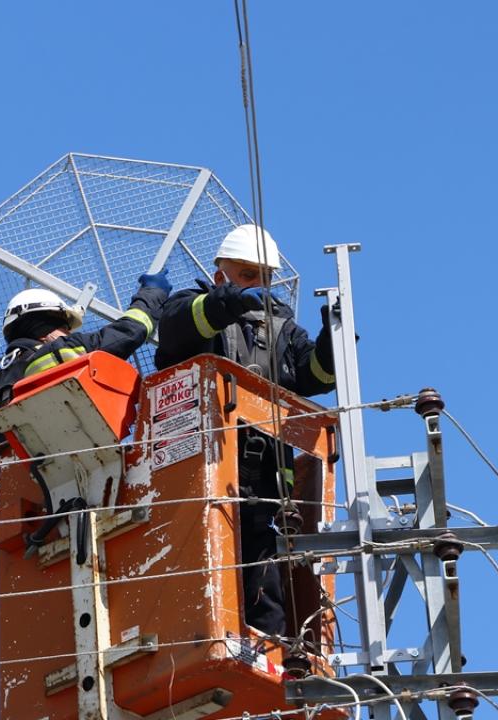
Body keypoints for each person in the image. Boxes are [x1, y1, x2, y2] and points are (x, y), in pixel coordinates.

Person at [155, 223, 336, 636]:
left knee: (263, 582)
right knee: (202, 569)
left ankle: (270, 650)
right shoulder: (193, 306)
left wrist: (332, 342)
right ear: (221, 275)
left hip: (260, 481)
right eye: (247, 274)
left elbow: (316, 377)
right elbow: (178, 328)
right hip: (202, 473)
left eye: (264, 277)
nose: (258, 284)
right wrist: (228, 302)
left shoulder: (283, 329)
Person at [0, 272, 171, 484]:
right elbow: (130, 331)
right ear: (44, 326)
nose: (68, 333)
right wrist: (153, 292)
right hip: (89, 474)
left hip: (34, 493)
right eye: (64, 327)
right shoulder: (61, 351)